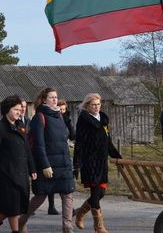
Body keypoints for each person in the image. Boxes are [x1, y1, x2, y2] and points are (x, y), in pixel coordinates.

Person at [19, 88, 76, 233]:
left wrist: (69, 162)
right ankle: (22, 220)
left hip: (63, 163)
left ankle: (67, 227)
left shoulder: (60, 116)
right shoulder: (40, 116)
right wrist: (45, 164)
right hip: (47, 164)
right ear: (44, 100)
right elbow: (39, 143)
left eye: (56, 97)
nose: (55, 100)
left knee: (67, 194)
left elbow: (65, 140)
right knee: (40, 196)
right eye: (51, 97)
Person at [0, 95, 36, 233]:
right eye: (16, 109)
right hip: (6, 173)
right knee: (13, 207)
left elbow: (27, 149)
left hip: (21, 172)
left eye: (20, 110)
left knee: (17, 204)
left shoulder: (21, 126)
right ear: (7, 109)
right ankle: (15, 231)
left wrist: (32, 168)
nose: (19, 112)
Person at [72, 93, 122, 233]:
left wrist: (118, 156)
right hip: (90, 161)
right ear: (87, 106)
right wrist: (76, 164)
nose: (97, 107)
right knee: (95, 193)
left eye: (99, 104)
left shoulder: (103, 120)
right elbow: (79, 143)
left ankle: (80, 213)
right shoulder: (84, 119)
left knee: (101, 193)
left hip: (101, 161)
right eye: (93, 104)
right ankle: (99, 227)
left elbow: (108, 142)